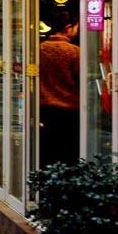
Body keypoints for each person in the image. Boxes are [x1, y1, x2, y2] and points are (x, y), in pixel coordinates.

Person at [39, 14, 80, 168]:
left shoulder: (39, 49)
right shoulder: (74, 52)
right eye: (76, 28)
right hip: (69, 110)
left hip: (43, 108)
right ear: (68, 28)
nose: (77, 31)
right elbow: (81, 80)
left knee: (47, 150)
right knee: (68, 152)